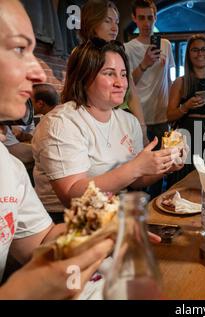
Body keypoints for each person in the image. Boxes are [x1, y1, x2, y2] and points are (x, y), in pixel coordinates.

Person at [0, 0, 113, 299]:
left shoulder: (7, 166)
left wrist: (104, 226)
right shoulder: (60, 123)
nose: (39, 73)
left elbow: (41, 241)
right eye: (19, 49)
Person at [32, 39, 183, 223]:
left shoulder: (128, 121)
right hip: (66, 223)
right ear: (84, 77)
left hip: (115, 214)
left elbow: (135, 180)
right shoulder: (61, 122)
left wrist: (165, 165)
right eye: (109, 74)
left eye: (123, 74)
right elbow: (72, 197)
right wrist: (136, 167)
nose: (120, 83)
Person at [79, 0, 149, 146]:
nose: (114, 27)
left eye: (116, 22)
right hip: (90, 121)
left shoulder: (119, 53)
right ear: (92, 22)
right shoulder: (81, 55)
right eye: (107, 21)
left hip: (120, 119)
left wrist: (142, 128)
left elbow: (132, 93)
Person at [124, 0, 175, 196]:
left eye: (150, 17)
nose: (146, 23)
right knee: (141, 172)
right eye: (142, 18)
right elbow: (127, 85)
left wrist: (172, 111)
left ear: (156, 18)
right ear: (135, 19)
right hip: (138, 119)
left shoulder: (166, 45)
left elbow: (169, 81)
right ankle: (141, 213)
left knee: (161, 172)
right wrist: (144, 64)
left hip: (162, 117)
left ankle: (157, 212)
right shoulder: (127, 49)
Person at [167, 34, 205, 180]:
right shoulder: (180, 83)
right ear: (188, 54)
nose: (200, 53)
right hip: (185, 135)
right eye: (195, 50)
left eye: (204, 49)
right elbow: (169, 116)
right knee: (182, 178)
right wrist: (185, 107)